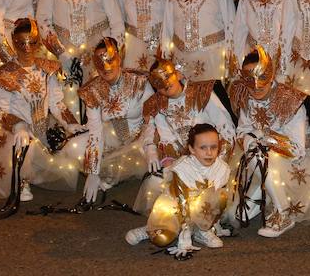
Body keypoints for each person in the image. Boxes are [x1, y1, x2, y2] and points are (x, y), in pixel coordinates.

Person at [226, 46, 310, 238]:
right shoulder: (244, 94)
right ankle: (259, 200)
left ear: (271, 75)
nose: (255, 86)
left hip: (298, 160)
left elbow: (296, 149)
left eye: (261, 79)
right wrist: (251, 141)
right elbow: (243, 130)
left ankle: (283, 213)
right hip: (261, 157)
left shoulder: (290, 100)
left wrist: (262, 140)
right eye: (249, 80)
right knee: (236, 215)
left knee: (262, 156)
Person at [0, 19, 80, 201]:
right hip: (15, 133)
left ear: (38, 43)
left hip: (42, 128)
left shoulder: (47, 68)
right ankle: (21, 180)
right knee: (25, 142)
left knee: (74, 142)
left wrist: (70, 123)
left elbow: (56, 103)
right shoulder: (5, 74)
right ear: (14, 43)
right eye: (21, 43)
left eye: (31, 43)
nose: (26, 48)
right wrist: (18, 125)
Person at [54, 37, 152, 203]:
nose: (106, 66)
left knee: (143, 160)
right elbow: (96, 131)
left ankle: (112, 173)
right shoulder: (92, 90)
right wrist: (92, 172)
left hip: (141, 138)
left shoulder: (139, 81)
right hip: (112, 137)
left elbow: (152, 119)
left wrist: (150, 145)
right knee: (73, 148)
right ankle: (106, 172)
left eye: (110, 59)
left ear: (119, 59)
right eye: (100, 62)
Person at [134, 58, 236, 213]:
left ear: (178, 74)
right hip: (184, 159)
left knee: (215, 195)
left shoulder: (202, 93)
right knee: (160, 186)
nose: (165, 84)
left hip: (212, 155)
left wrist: (216, 163)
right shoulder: (157, 104)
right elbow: (166, 138)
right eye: (158, 83)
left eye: (167, 77)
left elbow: (226, 128)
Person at [37, 0, 125, 115]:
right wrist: (60, 53)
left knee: (100, 105)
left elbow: (116, 22)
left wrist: (110, 57)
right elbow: (43, 21)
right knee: (63, 102)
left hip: (97, 57)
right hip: (61, 53)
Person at [126, 124, 232, 256]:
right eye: (203, 147)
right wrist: (185, 238)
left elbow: (213, 202)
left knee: (221, 196)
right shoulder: (182, 168)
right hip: (175, 211)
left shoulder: (222, 168)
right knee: (161, 239)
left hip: (200, 211)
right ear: (192, 149)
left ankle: (202, 230)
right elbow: (182, 205)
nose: (209, 153)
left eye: (213, 147)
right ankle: (150, 228)